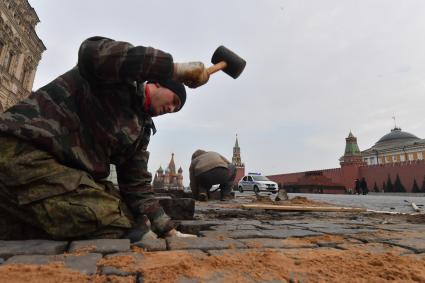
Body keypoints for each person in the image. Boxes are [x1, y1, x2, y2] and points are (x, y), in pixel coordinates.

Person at [0, 36, 208, 242]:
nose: (171, 109)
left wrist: (168, 230)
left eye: (176, 110)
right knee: (108, 219)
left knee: (129, 215)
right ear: (157, 84)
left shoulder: (140, 130)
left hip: (61, 171)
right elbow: (91, 52)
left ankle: (13, 216)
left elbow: (136, 185)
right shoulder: (115, 79)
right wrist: (173, 69)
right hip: (22, 149)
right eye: (174, 100)